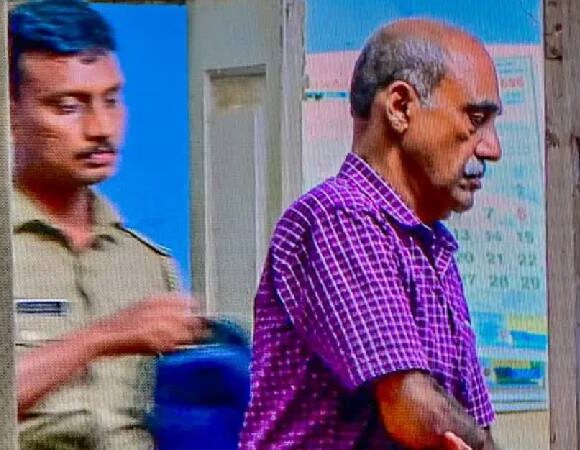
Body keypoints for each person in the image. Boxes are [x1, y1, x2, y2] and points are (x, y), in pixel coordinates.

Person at [240, 18, 503, 450]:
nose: (492, 148)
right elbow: (413, 410)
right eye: (475, 120)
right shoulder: (339, 218)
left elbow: (469, 424)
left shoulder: (431, 246)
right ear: (400, 107)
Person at [9, 1, 205, 448]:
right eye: (68, 106)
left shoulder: (148, 263)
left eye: (111, 100)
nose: (101, 128)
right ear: (11, 110)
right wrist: (105, 337)